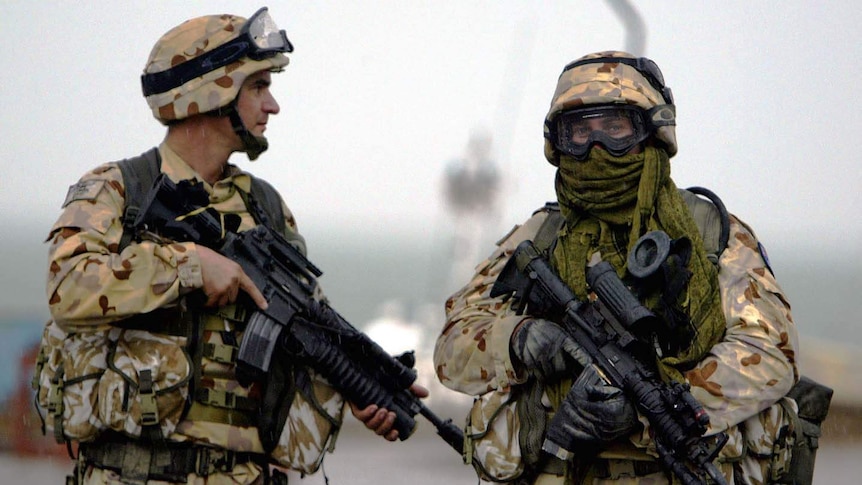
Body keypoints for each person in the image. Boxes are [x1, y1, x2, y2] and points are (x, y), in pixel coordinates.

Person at [39, 7, 423, 484]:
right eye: (258, 87)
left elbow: (303, 326)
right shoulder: (118, 190)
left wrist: (360, 388)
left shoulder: (265, 207)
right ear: (212, 92)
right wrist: (190, 266)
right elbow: (67, 288)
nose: (272, 106)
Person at [434, 51, 801, 484]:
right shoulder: (540, 237)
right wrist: (518, 340)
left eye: (614, 128)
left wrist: (653, 407)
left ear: (650, 132)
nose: (596, 148)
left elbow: (771, 351)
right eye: (579, 132)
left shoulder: (708, 233)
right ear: (559, 143)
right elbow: (453, 346)